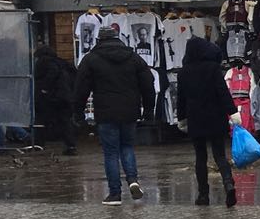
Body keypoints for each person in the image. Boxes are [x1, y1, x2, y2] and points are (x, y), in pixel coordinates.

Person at [73, 29, 155, 205]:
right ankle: (132, 180)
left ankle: (115, 194)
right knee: (127, 146)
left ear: (99, 39)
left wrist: (78, 112)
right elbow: (148, 83)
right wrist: (149, 109)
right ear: (117, 38)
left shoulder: (91, 59)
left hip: (106, 111)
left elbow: (80, 88)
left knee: (111, 152)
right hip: (130, 110)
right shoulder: (133, 57)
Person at [175, 37, 238, 207]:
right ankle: (228, 183)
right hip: (216, 117)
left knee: (200, 157)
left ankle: (203, 195)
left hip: (196, 118)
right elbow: (223, 92)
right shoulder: (213, 69)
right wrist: (232, 112)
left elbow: (181, 99)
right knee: (220, 155)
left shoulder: (184, 72)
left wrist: (181, 119)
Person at [33, 44, 77, 154]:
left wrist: (44, 88)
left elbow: (52, 73)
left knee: (41, 119)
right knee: (65, 122)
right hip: (65, 96)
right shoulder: (61, 62)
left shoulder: (43, 62)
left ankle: (38, 143)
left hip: (50, 97)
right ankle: (71, 145)